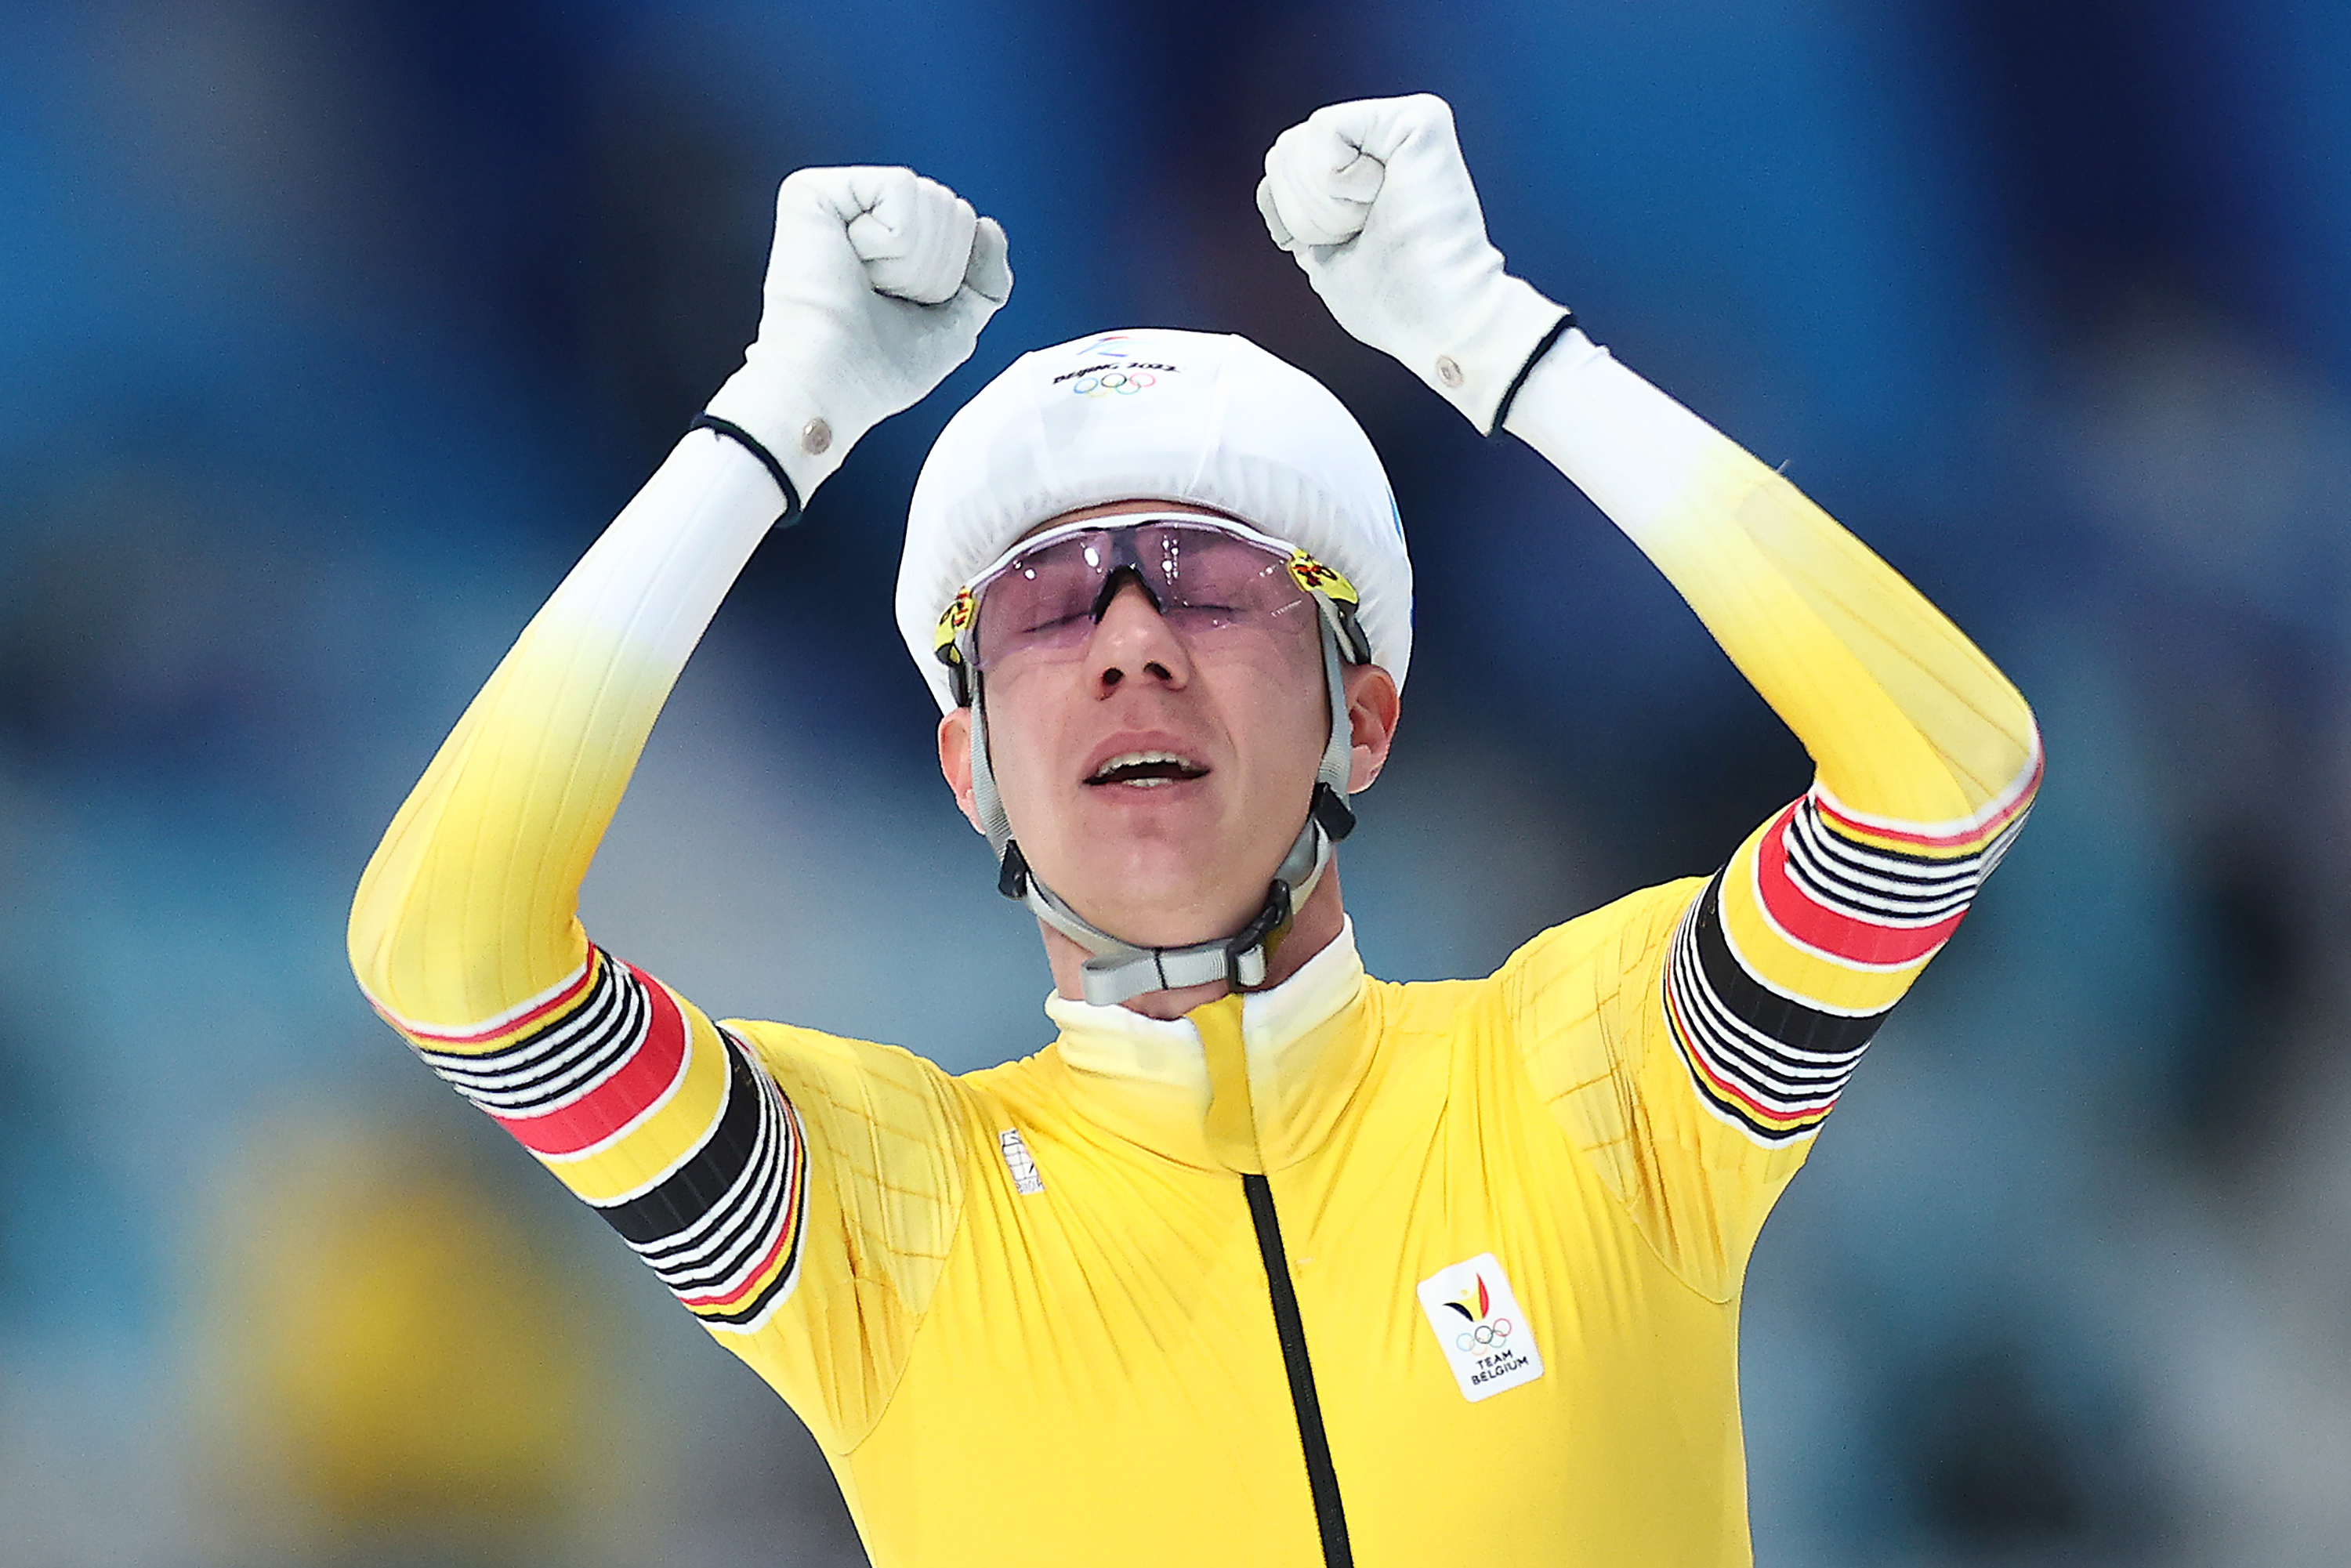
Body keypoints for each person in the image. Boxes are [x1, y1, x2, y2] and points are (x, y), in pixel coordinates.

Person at [349, 94, 2038, 1566]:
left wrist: (1509, 349)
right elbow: (452, 959)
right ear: (968, 765)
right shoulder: (884, 1218)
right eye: (1041, 606)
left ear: (1361, 721)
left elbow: (1940, 777)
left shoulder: (1591, 1084)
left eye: (1221, 587)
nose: (1131, 637)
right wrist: (766, 427)